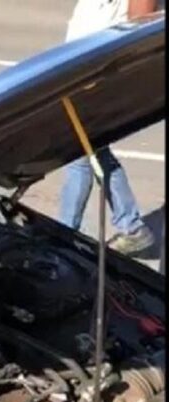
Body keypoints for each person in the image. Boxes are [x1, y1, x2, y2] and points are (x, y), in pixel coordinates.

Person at [59, 0, 158, 255]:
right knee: (95, 152)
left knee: (78, 156)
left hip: (96, 77)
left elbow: (142, 27)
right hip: (80, 69)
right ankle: (132, 227)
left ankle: (65, 235)